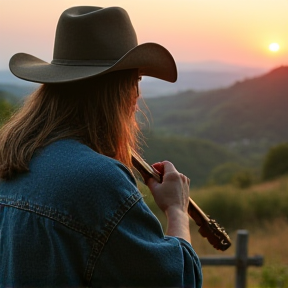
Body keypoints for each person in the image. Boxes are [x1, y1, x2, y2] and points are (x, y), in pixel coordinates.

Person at [0, 6, 203, 288]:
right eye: (137, 80)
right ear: (120, 90)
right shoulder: (97, 181)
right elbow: (178, 280)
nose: (138, 94)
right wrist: (177, 210)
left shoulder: (10, 162)